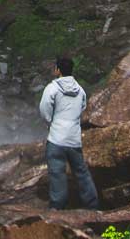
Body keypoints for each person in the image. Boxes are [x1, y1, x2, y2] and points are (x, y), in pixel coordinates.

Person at [38, 55, 99, 210]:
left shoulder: (52, 88)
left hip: (57, 138)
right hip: (74, 139)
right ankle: (92, 205)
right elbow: (82, 108)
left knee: (57, 173)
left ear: (58, 70)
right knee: (81, 172)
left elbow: (44, 110)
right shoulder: (80, 91)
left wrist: (51, 122)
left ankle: (58, 207)